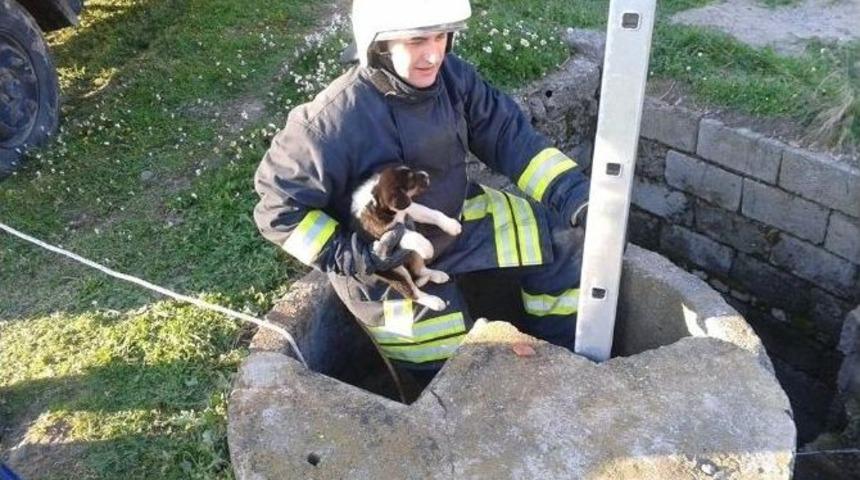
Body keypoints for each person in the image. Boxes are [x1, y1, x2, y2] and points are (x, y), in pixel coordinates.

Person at [253, 0, 589, 381]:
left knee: (562, 240)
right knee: (448, 371)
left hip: (453, 221)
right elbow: (277, 210)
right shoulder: (329, 123)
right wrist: (355, 255)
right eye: (415, 41)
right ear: (377, 43)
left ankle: (563, 363)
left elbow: (509, 137)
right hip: (387, 265)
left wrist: (576, 195)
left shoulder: (452, 78)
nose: (433, 55)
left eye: (441, 36)